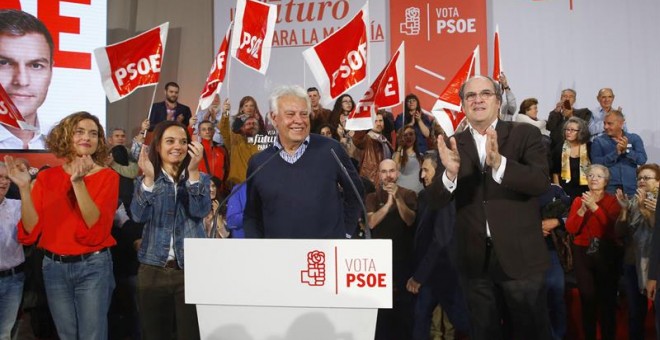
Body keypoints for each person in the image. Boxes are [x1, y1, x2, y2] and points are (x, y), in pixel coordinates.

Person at [429, 75, 552, 339]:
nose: (478, 99)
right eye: (470, 96)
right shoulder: (454, 143)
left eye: (485, 93)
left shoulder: (525, 133)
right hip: (475, 264)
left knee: (530, 332)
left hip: (521, 259)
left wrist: (500, 165)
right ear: (463, 105)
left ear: (498, 101)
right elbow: (435, 201)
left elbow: (540, 183)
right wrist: (449, 175)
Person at [5, 111, 118, 340]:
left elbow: (95, 229)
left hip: (93, 267)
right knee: (66, 335)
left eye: (93, 133)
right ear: (66, 136)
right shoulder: (47, 178)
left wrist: (78, 183)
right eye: (80, 131)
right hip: (54, 268)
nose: (87, 137)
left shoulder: (108, 177)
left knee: (92, 335)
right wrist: (26, 189)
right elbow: (31, 230)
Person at [243, 85, 363, 239]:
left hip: (322, 256)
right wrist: (258, 247)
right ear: (274, 118)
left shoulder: (332, 150)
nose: (298, 121)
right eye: (290, 114)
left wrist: (345, 232)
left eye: (304, 114)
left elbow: (355, 192)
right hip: (278, 257)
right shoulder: (259, 163)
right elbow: (252, 215)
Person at [130, 120, 210, 340]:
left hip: (191, 271)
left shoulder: (200, 178)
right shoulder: (147, 180)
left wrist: (193, 172)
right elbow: (138, 215)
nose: (178, 146)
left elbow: (200, 210)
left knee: (191, 335)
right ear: (157, 146)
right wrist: (148, 178)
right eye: (170, 141)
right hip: (153, 270)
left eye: (183, 141)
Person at [407, 152, 469, 340]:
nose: (422, 175)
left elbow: (440, 240)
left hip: (447, 273)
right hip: (431, 274)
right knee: (420, 317)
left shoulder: (446, 196)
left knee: (463, 322)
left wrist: (419, 276)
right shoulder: (425, 196)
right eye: (421, 170)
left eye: (426, 170)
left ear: (439, 170)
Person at [565, 164, 622, 340]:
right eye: (590, 175)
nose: (593, 178)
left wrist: (595, 208)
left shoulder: (612, 201)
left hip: (605, 252)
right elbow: (571, 228)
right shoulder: (578, 200)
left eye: (598, 176)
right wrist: (582, 209)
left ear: (606, 181)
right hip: (582, 252)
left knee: (607, 301)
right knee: (587, 300)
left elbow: (612, 228)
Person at [366, 159, 417, 339]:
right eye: (384, 172)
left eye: (391, 171)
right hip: (379, 264)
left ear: (397, 173)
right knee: (382, 314)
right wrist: (387, 204)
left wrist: (397, 198)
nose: (388, 175)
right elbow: (371, 223)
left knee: (404, 311)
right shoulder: (372, 197)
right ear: (379, 175)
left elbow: (409, 220)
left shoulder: (409, 194)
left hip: (403, 260)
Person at [615, 164, 659, 340]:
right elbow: (619, 232)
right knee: (635, 313)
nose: (641, 181)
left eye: (646, 178)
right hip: (633, 262)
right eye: (639, 178)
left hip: (654, 264)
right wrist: (625, 210)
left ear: (658, 182)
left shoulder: (656, 202)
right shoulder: (633, 200)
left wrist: (646, 211)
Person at [0, 9, 53, 149]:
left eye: (36, 65)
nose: (22, 81)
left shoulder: (64, 144)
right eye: (4, 63)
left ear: (51, 71)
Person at [591, 110, 647, 195]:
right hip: (609, 189)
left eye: (609, 123)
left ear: (621, 124)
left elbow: (642, 160)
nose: (605, 127)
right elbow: (596, 163)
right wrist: (616, 153)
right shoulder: (598, 141)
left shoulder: (634, 138)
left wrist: (627, 151)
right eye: (604, 123)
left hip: (632, 188)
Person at [0, 162, 24, 340]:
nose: (4, 182)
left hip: (13, 280)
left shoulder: (18, 206)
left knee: (5, 333)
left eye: (7, 178)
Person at [219, 104, 260, 187]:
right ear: (242, 127)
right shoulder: (235, 140)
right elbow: (224, 129)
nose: (252, 126)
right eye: (248, 124)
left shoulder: (260, 143)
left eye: (254, 124)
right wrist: (226, 113)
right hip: (237, 185)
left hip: (255, 186)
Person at [552, 117, 592, 200]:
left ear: (581, 132)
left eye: (572, 130)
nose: (568, 132)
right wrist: (558, 190)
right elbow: (555, 172)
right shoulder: (559, 148)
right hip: (565, 191)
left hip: (586, 191)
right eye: (567, 129)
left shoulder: (589, 147)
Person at [353, 111, 394, 185]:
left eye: (380, 121)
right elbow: (357, 139)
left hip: (386, 181)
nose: (378, 124)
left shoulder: (385, 140)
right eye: (375, 121)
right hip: (372, 181)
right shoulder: (367, 138)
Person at [394, 125, 424, 193]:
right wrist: (399, 148)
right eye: (405, 135)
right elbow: (394, 169)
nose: (408, 137)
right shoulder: (397, 155)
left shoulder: (421, 156)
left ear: (415, 136)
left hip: (417, 193)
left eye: (411, 134)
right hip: (402, 193)